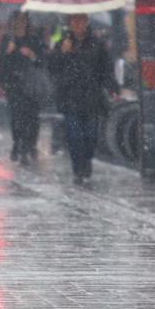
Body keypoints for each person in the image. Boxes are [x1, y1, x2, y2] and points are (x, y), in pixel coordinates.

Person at [49, 13, 118, 185]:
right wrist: (62, 53)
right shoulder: (62, 44)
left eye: (80, 20)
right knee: (73, 135)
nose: (77, 24)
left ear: (86, 22)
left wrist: (112, 88)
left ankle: (87, 160)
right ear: (69, 23)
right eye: (74, 20)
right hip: (70, 97)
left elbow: (106, 69)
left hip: (91, 97)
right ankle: (77, 167)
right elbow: (53, 69)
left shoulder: (96, 43)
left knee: (91, 134)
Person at [0, 11, 46, 165]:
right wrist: (8, 52)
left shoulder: (33, 39)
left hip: (30, 84)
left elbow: (42, 62)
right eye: (17, 19)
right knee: (17, 117)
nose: (20, 22)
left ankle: (28, 145)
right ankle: (17, 143)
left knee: (31, 117)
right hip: (14, 84)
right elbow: (1, 62)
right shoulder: (7, 39)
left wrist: (32, 55)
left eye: (23, 19)